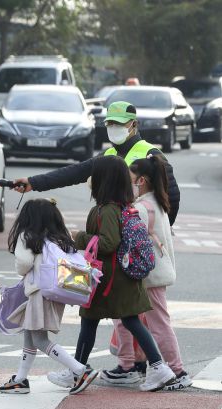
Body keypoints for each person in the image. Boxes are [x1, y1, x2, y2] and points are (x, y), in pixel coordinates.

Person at [47, 155, 175, 392]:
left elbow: (108, 243)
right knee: (126, 321)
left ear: (102, 181)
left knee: (91, 321)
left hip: (107, 280)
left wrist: (79, 237)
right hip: (121, 280)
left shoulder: (104, 210)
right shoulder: (123, 207)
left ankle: (78, 371)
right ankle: (159, 368)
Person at [100, 155, 191, 391]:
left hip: (145, 277)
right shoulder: (158, 204)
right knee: (129, 320)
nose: (127, 183)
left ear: (141, 180)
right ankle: (130, 364)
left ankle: (176, 370)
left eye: (130, 179)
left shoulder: (141, 208)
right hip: (153, 275)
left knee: (153, 323)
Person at [12, 101, 181, 226]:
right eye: (110, 123)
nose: (113, 127)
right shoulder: (108, 154)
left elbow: (171, 196)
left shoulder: (149, 153)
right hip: (111, 232)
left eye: (119, 124)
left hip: (141, 236)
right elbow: (74, 173)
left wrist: (159, 229)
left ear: (134, 124)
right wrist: (33, 182)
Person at [0, 198, 98, 395]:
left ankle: (80, 370)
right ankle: (20, 379)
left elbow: (23, 264)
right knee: (30, 336)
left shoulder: (27, 236)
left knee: (40, 340)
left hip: (38, 294)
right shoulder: (60, 237)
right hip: (54, 292)